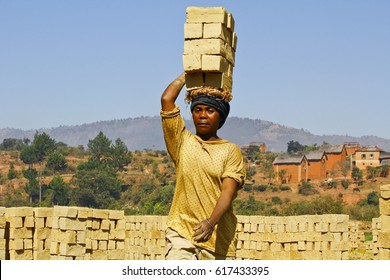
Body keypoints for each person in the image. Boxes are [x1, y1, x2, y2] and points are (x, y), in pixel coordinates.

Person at [160, 72, 246, 260]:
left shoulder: (230, 151)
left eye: (210, 110)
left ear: (221, 117)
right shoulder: (182, 142)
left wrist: (210, 222)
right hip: (181, 232)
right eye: (197, 110)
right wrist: (190, 73)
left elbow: (227, 193)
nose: (203, 116)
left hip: (217, 241)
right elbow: (167, 99)